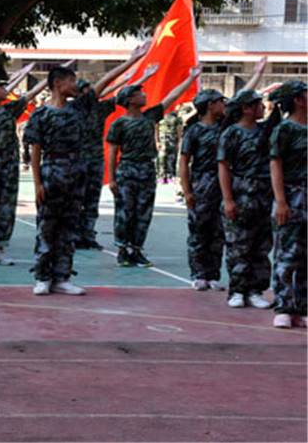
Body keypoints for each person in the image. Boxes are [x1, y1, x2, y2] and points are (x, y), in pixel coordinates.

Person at [24, 50, 144, 297]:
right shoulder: (41, 114)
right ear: (57, 83)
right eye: (71, 80)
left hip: (76, 171)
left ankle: (63, 276)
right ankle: (43, 276)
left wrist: (131, 61)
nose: (75, 85)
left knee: (69, 226)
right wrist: (37, 183)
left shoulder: (78, 108)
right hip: (52, 170)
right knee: (47, 226)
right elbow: (35, 150)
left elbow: (102, 85)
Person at [106, 65, 202, 267]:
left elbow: (172, 97)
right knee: (125, 211)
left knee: (144, 211)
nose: (144, 95)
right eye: (139, 93)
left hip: (147, 169)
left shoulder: (150, 117)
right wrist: (112, 178)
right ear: (129, 100)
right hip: (127, 169)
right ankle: (123, 249)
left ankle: (137, 249)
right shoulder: (119, 124)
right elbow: (113, 152)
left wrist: (191, 78)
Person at [72, 43, 155, 250]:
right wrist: (131, 62)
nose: (90, 92)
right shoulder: (75, 110)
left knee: (92, 200)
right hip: (77, 160)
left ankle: (88, 235)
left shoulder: (100, 109)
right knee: (75, 200)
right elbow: (106, 87)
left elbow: (120, 95)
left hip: (95, 159)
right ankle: (75, 235)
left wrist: (141, 77)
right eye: (85, 91)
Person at [0, 70, 47, 265]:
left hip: (9, 164)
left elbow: (31, 94)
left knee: (7, 208)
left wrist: (48, 79)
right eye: (2, 87)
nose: (6, 91)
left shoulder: (9, 110)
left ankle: (1, 247)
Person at [218, 89, 276, 309]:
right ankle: (237, 290)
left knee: (261, 245)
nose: (262, 108)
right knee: (238, 245)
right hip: (241, 190)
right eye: (258, 104)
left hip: (264, 193)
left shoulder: (265, 131)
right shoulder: (231, 133)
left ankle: (255, 290)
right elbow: (223, 167)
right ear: (246, 108)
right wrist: (229, 199)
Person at [267, 80, 307, 328]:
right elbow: (275, 164)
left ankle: (303, 307)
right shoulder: (284, 129)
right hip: (292, 195)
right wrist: (281, 201)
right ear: (298, 100)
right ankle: (283, 306)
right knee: (286, 253)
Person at [158, 110, 183, 183]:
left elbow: (179, 130)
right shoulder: (160, 116)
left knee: (171, 157)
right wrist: (156, 141)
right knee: (161, 157)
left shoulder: (175, 117)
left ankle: (170, 175)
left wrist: (179, 141)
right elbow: (156, 127)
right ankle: (162, 175)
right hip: (162, 139)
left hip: (172, 139)